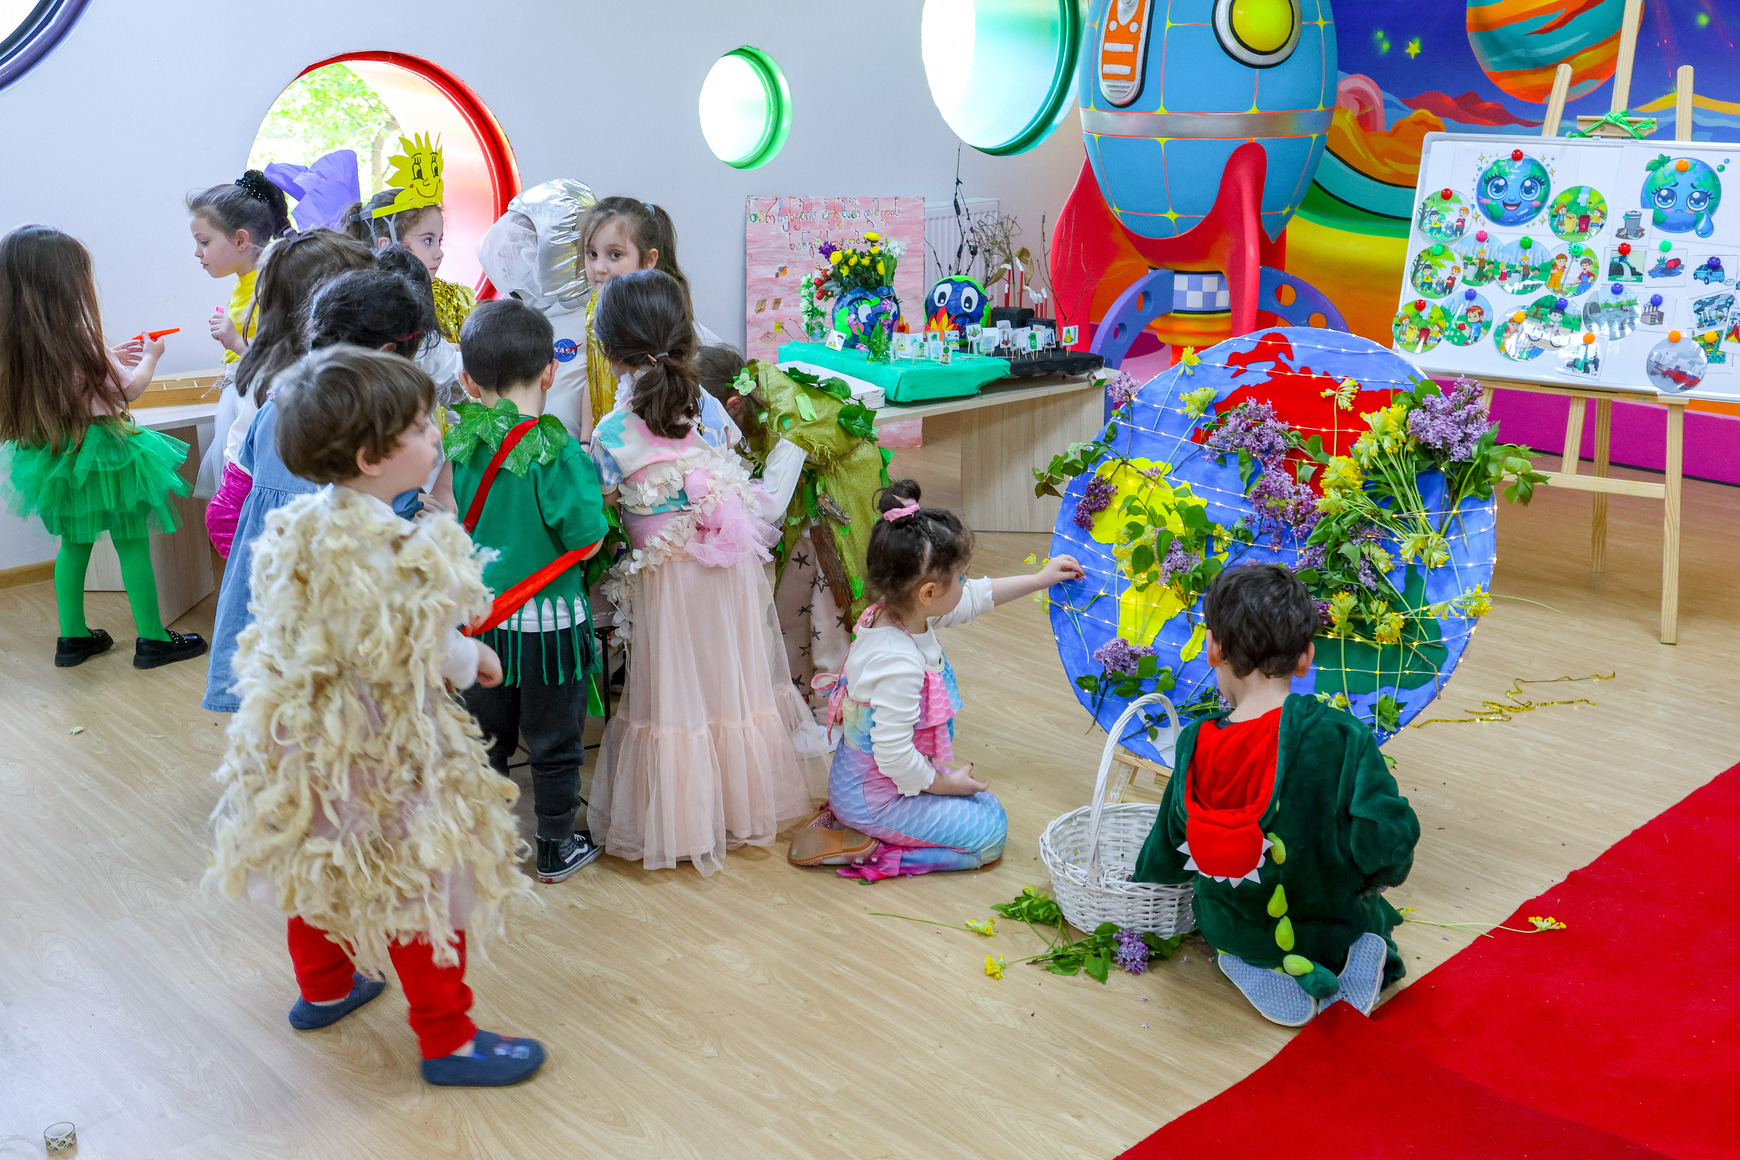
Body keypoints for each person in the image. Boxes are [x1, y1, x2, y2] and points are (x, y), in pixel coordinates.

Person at [206, 345, 544, 1087]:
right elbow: (412, 641)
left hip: (307, 741)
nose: (436, 434)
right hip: (381, 750)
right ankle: (449, 1041)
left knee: (319, 856)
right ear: (371, 457)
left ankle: (325, 988)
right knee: (417, 878)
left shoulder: (300, 524)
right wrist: (473, 660)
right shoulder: (389, 546)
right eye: (421, 427)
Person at [587, 269, 820, 874]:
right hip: (727, 572)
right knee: (727, 684)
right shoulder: (710, 410)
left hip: (669, 583)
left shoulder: (611, 434)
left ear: (608, 351)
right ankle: (738, 808)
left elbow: (600, 507)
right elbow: (728, 469)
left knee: (676, 697)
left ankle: (685, 823)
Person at [1131, 564, 1421, 1026]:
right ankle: (1347, 956)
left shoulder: (1194, 742)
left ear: (1213, 648)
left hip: (1237, 925)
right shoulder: (1344, 735)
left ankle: (1253, 961)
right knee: (1362, 910)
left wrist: (1146, 881)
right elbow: (1387, 835)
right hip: (1332, 923)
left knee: (1229, 928)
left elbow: (1169, 839)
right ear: (1306, 657)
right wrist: (1381, 877)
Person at [800, 479, 1083, 878]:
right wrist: (946, 785)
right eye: (961, 577)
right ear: (929, 593)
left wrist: (1040, 579)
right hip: (875, 799)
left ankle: (861, 826)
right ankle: (872, 849)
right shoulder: (898, 663)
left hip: (875, 783)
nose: (966, 583)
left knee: (983, 805)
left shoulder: (899, 613)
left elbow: (976, 598)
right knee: (990, 834)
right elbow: (895, 756)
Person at [203, 267, 440, 712]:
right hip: (335, 604)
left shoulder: (278, 401)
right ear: (389, 352)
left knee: (278, 713)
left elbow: (257, 475)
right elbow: (387, 523)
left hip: (270, 587)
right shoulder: (374, 423)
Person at [448, 298, 611, 883]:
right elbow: (587, 540)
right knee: (555, 740)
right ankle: (554, 846)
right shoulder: (557, 449)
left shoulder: (461, 442)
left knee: (484, 737)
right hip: (551, 627)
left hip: (481, 623)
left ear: (467, 381)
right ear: (550, 371)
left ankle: (485, 840)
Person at [0, 225, 207, 669]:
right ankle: (153, 639)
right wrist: (150, 358)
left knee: (73, 546)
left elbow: (80, 382)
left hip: (57, 455)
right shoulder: (79, 337)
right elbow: (128, 391)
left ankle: (72, 637)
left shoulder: (18, 345)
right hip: (108, 455)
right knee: (132, 544)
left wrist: (110, 356)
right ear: (64, 285)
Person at [206, 229, 375, 556]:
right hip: (246, 509)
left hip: (268, 500)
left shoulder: (302, 363)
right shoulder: (289, 378)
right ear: (316, 308)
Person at [188, 172, 294, 498]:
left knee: (247, 487)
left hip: (258, 401)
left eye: (204, 242)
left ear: (240, 240)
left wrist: (235, 342)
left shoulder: (269, 284)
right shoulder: (246, 281)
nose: (197, 253)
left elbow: (282, 359)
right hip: (241, 394)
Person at [581, 197, 725, 431]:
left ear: (648, 260)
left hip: (649, 431)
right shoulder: (594, 308)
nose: (599, 268)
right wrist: (586, 439)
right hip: (611, 431)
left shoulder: (655, 316)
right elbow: (592, 376)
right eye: (592, 254)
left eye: (615, 255)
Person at [345, 187, 475, 343]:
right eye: (428, 240)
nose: (439, 253)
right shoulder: (371, 310)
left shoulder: (458, 300)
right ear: (387, 245)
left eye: (439, 241)